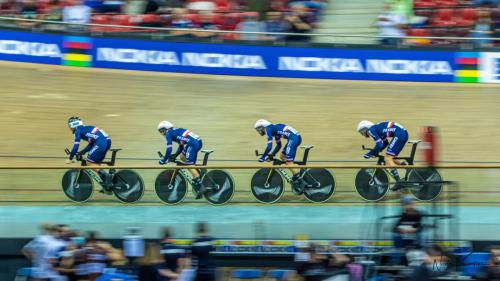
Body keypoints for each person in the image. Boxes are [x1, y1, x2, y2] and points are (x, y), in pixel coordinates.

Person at [254, 119, 305, 193]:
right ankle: (296, 174)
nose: (259, 131)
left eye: (258, 129)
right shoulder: (274, 130)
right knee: (282, 156)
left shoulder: (268, 129)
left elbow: (269, 146)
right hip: (294, 137)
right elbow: (278, 145)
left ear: (262, 127)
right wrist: (272, 154)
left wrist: (262, 157)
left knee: (289, 163)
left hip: (293, 139)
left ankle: (301, 179)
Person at [157, 121, 204, 199]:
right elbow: (181, 146)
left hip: (193, 144)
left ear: (166, 129)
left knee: (189, 166)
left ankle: (201, 187)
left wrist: (164, 159)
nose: (161, 133)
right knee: (182, 157)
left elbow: (169, 148)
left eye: (161, 131)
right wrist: (175, 155)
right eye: (160, 131)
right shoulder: (175, 131)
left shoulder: (169, 133)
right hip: (195, 142)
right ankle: (196, 173)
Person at [357, 120, 409, 190]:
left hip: (399, 134)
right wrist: (376, 152)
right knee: (389, 157)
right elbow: (385, 143)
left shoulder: (371, 130)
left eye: (361, 132)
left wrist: (370, 153)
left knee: (387, 159)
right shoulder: (377, 128)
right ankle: (407, 167)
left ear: (365, 129)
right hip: (403, 133)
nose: (362, 134)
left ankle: (399, 182)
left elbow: (379, 144)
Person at [66, 117, 113, 194]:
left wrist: (70, 158)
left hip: (101, 142)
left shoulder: (78, 130)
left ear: (73, 125)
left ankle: (107, 176)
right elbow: (91, 144)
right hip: (107, 141)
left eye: (69, 126)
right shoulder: (86, 128)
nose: (69, 128)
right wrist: (82, 152)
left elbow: (76, 146)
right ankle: (107, 186)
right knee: (96, 164)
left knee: (89, 162)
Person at [391, 195, 423, 265]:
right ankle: (395, 263)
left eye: (412, 203)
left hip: (414, 237)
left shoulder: (418, 214)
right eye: (408, 204)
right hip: (404, 237)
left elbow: (420, 227)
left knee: (421, 235)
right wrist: (400, 229)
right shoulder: (403, 215)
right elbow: (394, 228)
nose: (412, 205)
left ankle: (418, 257)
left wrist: (414, 230)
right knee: (395, 236)